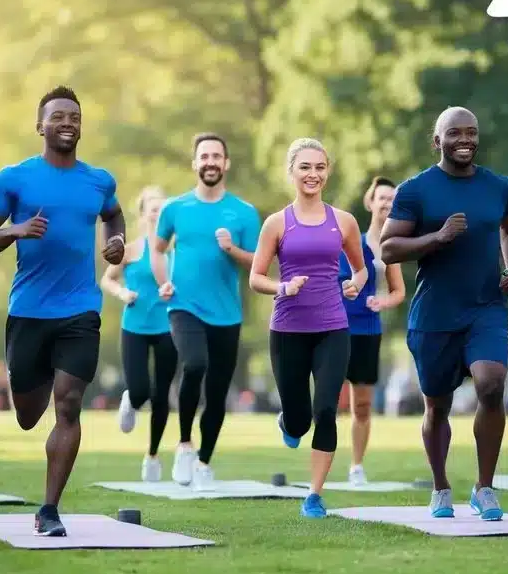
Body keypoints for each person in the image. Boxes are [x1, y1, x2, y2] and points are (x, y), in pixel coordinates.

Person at [0, 86, 125, 537]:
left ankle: (49, 509)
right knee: (26, 414)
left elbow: (113, 216)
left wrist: (114, 241)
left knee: (70, 404)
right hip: (29, 310)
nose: (67, 123)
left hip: (80, 309)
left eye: (74, 117)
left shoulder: (99, 181)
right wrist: (17, 230)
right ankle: (29, 400)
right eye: (58, 116)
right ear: (40, 125)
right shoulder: (14, 178)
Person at [380, 107, 508, 521]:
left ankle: (485, 489)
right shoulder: (415, 190)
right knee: (437, 407)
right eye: (455, 133)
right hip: (435, 315)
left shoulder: (499, 186)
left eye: (472, 133)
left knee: (492, 385)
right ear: (437, 140)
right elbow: (388, 248)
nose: (465, 140)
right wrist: (437, 237)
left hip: (485, 307)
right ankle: (441, 488)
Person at [249, 138, 367, 518]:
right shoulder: (277, 223)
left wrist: (356, 283)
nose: (312, 174)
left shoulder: (344, 221)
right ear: (292, 172)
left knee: (327, 410)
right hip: (287, 331)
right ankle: (288, 420)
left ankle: (314, 495)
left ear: (327, 171)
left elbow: (362, 267)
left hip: (333, 327)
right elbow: (256, 277)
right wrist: (282, 287)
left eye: (319, 167)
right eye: (305, 167)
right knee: (300, 419)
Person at [154, 133, 260, 488]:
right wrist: (162, 281)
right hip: (184, 305)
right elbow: (157, 249)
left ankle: (204, 461)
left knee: (217, 392)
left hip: (227, 313)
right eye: (204, 156)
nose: (210, 162)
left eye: (217, 156)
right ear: (195, 163)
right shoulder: (174, 209)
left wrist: (232, 249)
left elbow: (259, 264)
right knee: (194, 364)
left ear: (226, 163)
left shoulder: (243, 213)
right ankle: (184, 444)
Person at [100, 186, 178, 482]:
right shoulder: (130, 250)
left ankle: (153, 455)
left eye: (163, 208)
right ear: (143, 214)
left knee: (161, 396)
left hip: (168, 327)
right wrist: (123, 292)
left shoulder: (176, 251)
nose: (158, 213)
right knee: (142, 390)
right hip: (134, 326)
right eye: (153, 208)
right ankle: (131, 399)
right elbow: (107, 279)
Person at [338, 176, 406, 486]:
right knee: (325, 400)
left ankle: (356, 466)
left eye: (392, 199)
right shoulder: (350, 241)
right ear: (371, 202)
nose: (387, 203)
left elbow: (398, 291)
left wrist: (384, 302)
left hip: (368, 331)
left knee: (362, 405)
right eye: (382, 198)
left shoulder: (390, 248)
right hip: (336, 328)